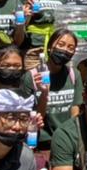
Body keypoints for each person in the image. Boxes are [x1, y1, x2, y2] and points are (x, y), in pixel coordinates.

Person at [32, 29, 83, 157]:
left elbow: (75, 110)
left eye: (70, 48)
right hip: (42, 144)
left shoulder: (74, 75)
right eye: (60, 45)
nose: (65, 50)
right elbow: (35, 117)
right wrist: (44, 94)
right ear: (50, 47)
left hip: (67, 141)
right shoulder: (32, 77)